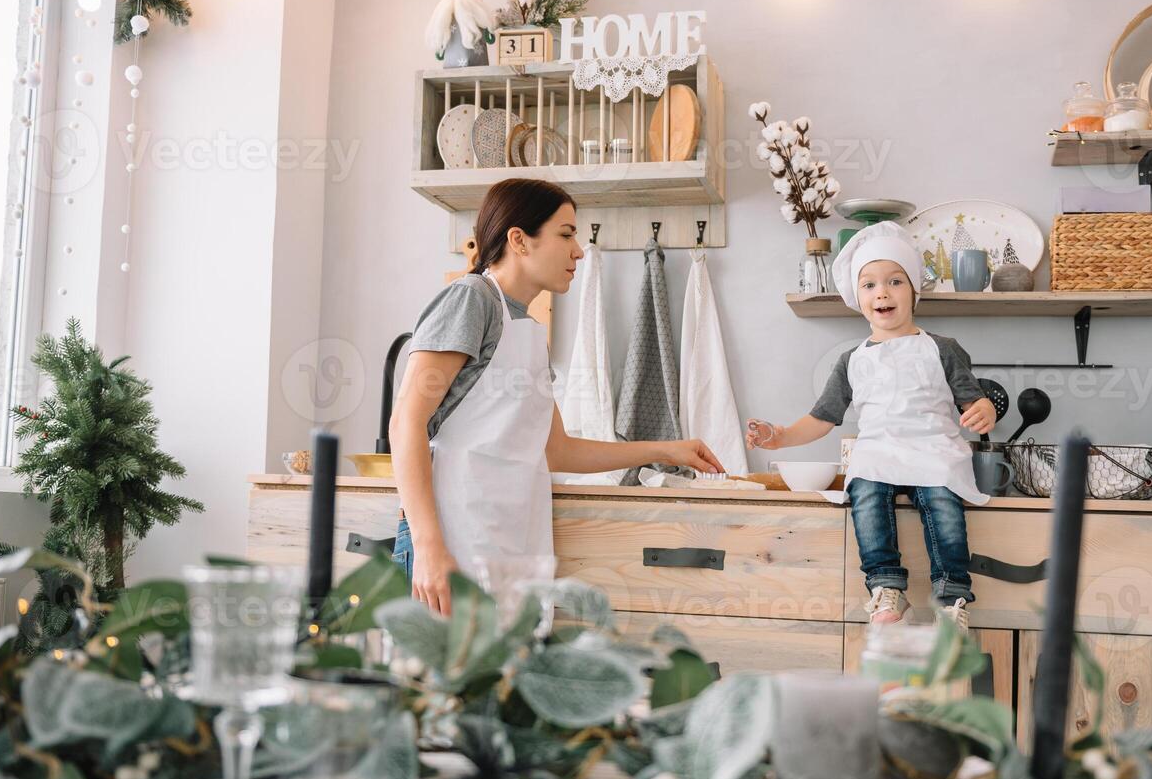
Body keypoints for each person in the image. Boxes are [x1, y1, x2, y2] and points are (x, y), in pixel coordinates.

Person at [388, 178, 723, 615]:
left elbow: (557, 450)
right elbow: (406, 424)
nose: (579, 251)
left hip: (507, 548)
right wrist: (430, 550)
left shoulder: (527, 330)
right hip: (449, 547)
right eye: (566, 234)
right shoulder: (470, 301)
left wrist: (666, 450)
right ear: (519, 240)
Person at [746, 223, 995, 627]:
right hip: (878, 451)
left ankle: (950, 599)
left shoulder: (943, 348)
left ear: (914, 290)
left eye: (895, 281)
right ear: (857, 298)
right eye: (870, 285)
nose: (882, 292)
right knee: (864, 490)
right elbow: (821, 418)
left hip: (934, 450)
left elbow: (974, 399)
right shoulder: (851, 360)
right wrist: (781, 437)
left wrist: (985, 409)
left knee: (944, 506)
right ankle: (886, 587)